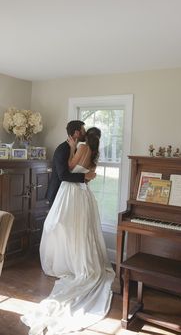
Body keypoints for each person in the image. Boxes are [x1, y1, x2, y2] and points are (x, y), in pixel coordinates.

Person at [21, 127, 115, 335]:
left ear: (84, 136)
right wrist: (86, 174)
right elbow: (85, 174)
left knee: (64, 226)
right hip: (81, 193)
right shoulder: (94, 151)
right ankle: (71, 257)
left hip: (72, 193)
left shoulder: (81, 147)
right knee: (76, 229)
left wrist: (73, 149)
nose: (80, 135)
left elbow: (70, 167)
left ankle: (68, 260)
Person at [46, 120, 96, 206]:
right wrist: (84, 176)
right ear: (77, 133)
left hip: (70, 194)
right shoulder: (63, 149)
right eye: (83, 130)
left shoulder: (77, 149)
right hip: (58, 194)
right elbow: (63, 175)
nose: (85, 133)